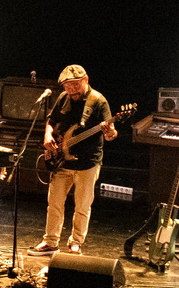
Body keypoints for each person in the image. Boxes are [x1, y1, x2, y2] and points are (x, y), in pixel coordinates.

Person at [33, 64, 117, 255]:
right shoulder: (64, 97)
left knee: (82, 206)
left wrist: (110, 132)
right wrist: (48, 135)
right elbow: (51, 121)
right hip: (62, 161)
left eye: (75, 85)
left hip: (87, 163)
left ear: (86, 80)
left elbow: (111, 135)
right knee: (54, 204)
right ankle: (50, 242)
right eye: (67, 86)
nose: (71, 90)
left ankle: (76, 243)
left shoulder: (98, 101)